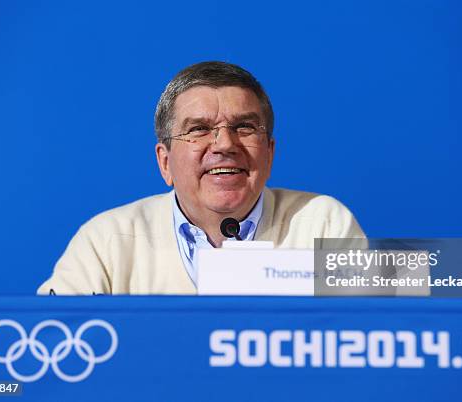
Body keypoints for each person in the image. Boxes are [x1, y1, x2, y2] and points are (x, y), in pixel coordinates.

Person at [38, 61, 365, 295]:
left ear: (270, 152)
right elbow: (53, 344)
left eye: (244, 127)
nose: (225, 144)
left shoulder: (322, 224)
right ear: (165, 163)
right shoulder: (107, 240)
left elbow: (374, 338)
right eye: (199, 129)